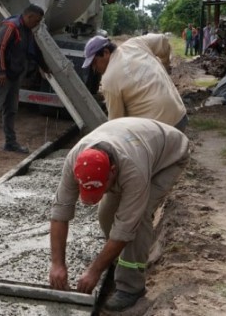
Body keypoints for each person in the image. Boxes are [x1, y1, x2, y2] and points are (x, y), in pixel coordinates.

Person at [48, 117, 190, 311]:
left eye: (99, 190)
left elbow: (125, 228)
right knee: (106, 213)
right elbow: (59, 213)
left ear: (112, 172)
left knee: (138, 219)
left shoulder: (133, 171)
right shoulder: (75, 160)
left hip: (169, 157)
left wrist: (94, 271)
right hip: (135, 143)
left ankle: (131, 287)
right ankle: (118, 260)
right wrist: (57, 264)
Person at [0, 4, 46, 155]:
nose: (37, 24)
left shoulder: (27, 30)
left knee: (11, 109)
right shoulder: (11, 27)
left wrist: (44, 67)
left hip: (15, 74)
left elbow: (34, 50)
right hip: (1, 74)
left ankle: (10, 142)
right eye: (36, 20)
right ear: (29, 16)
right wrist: (1, 72)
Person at [82, 34, 187, 132]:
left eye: (95, 62)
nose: (94, 68)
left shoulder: (108, 80)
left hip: (158, 132)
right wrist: (165, 65)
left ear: (105, 53)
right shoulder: (135, 44)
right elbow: (163, 40)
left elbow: (116, 123)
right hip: (180, 116)